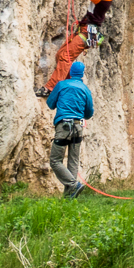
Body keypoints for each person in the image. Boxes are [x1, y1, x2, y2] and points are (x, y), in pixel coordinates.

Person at [46, 59, 94, 197]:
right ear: (82, 74)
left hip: (64, 127)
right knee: (73, 161)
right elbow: (89, 112)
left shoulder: (61, 85)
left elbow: (50, 103)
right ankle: (69, 198)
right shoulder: (85, 89)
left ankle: (74, 185)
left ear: (70, 72)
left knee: (55, 160)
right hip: (78, 127)